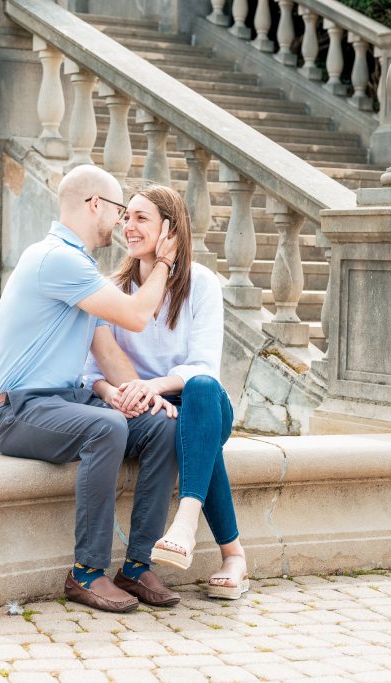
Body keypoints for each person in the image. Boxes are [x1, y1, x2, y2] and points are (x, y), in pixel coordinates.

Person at [0, 164, 184, 613]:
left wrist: (146, 396)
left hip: (60, 402)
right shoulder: (55, 258)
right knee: (107, 427)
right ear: (95, 204)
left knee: (161, 429)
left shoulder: (78, 267)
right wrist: (166, 263)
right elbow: (135, 315)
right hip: (16, 410)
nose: (122, 222)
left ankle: (135, 566)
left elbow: (107, 351)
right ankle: (86, 573)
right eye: (118, 210)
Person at [83, 183, 250, 600]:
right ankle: (234, 557)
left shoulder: (202, 285)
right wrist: (114, 394)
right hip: (145, 411)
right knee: (191, 439)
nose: (129, 227)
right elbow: (91, 371)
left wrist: (151, 385)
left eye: (142, 218)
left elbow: (203, 367)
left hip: (201, 403)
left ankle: (186, 521)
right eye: (127, 217)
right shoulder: (114, 289)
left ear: (170, 231)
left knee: (201, 392)